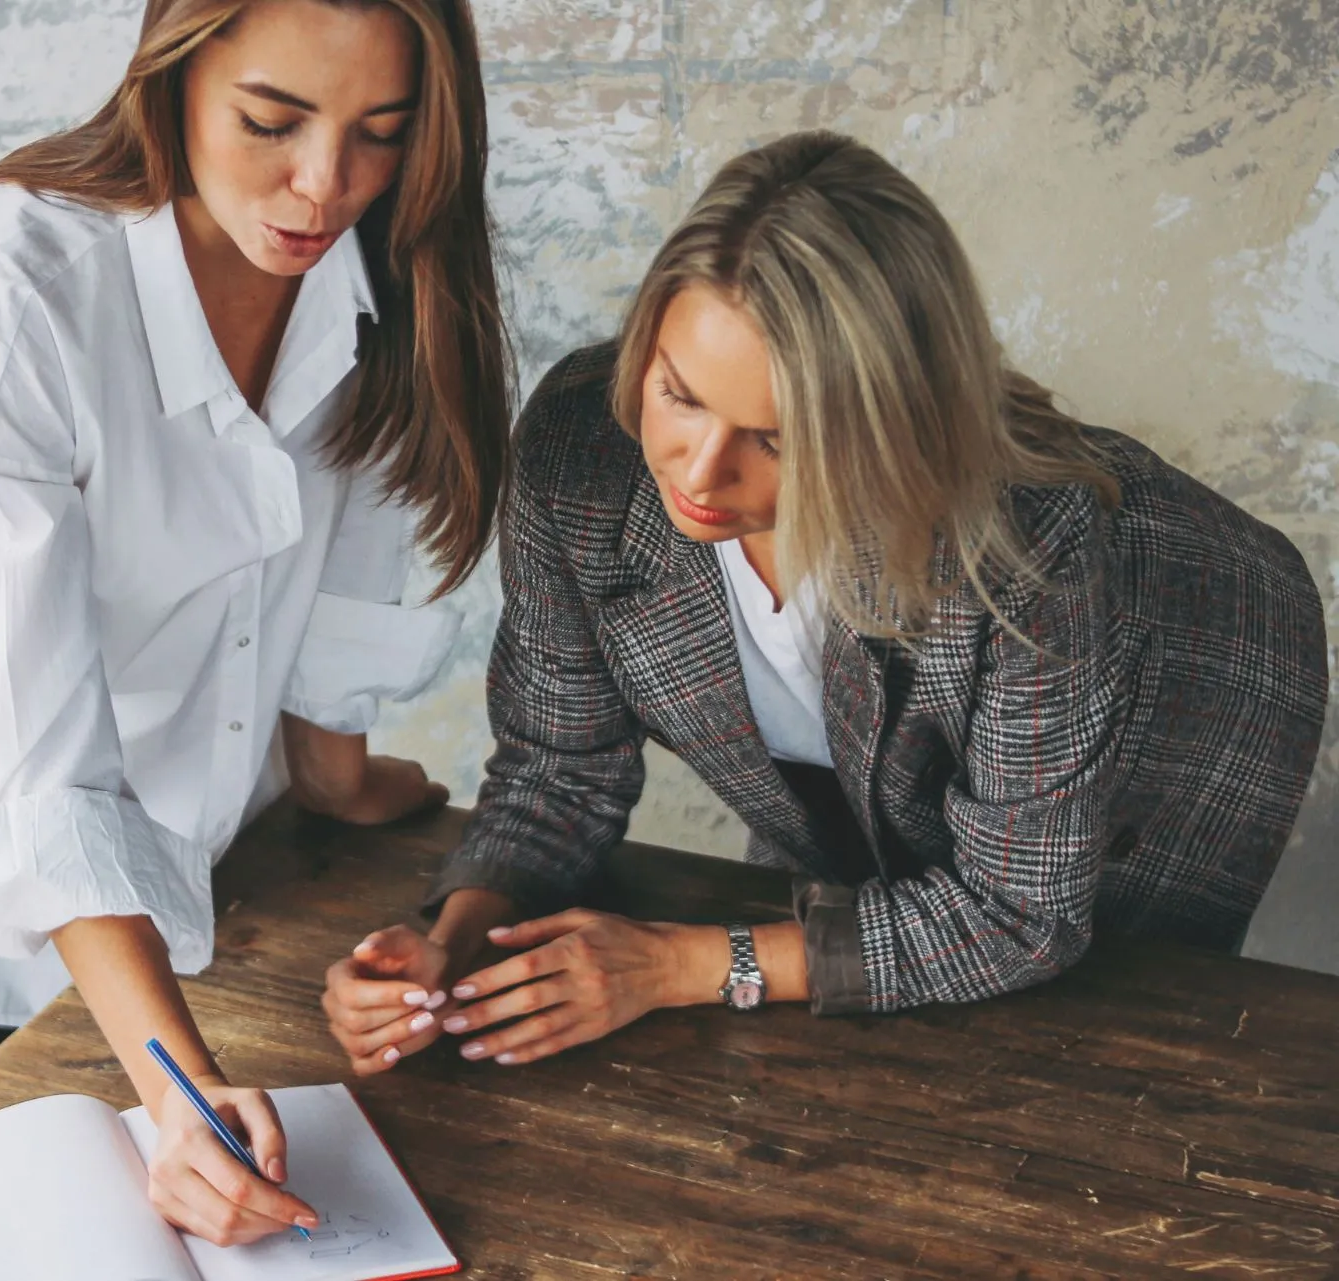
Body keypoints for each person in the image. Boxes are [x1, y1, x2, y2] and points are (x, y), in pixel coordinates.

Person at [0, 0, 510, 1244]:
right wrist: (180, 1092)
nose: (324, 186)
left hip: (174, 886)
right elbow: (41, 770)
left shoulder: (377, 268)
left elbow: (331, 586)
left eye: (382, 133)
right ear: (174, 71)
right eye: (272, 121)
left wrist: (341, 786)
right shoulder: (12, 279)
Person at [322, 130, 1327, 1075]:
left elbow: (1019, 916)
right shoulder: (581, 450)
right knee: (840, 937)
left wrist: (678, 964)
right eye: (679, 395)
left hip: (1195, 688)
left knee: (1078, 1039)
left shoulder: (1030, 546)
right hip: (893, 743)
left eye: (777, 438)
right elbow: (558, 769)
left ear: (881, 429)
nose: (700, 473)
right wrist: (445, 947)